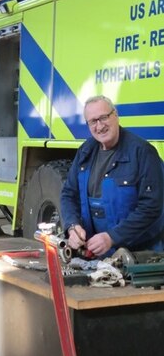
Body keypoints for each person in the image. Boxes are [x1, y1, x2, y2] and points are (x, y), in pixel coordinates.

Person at [60, 95, 164, 257]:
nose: (99, 126)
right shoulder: (85, 152)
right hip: (96, 252)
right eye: (93, 121)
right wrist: (72, 226)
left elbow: (151, 207)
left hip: (140, 254)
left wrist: (112, 237)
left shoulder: (143, 152)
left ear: (115, 115)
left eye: (103, 118)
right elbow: (69, 194)